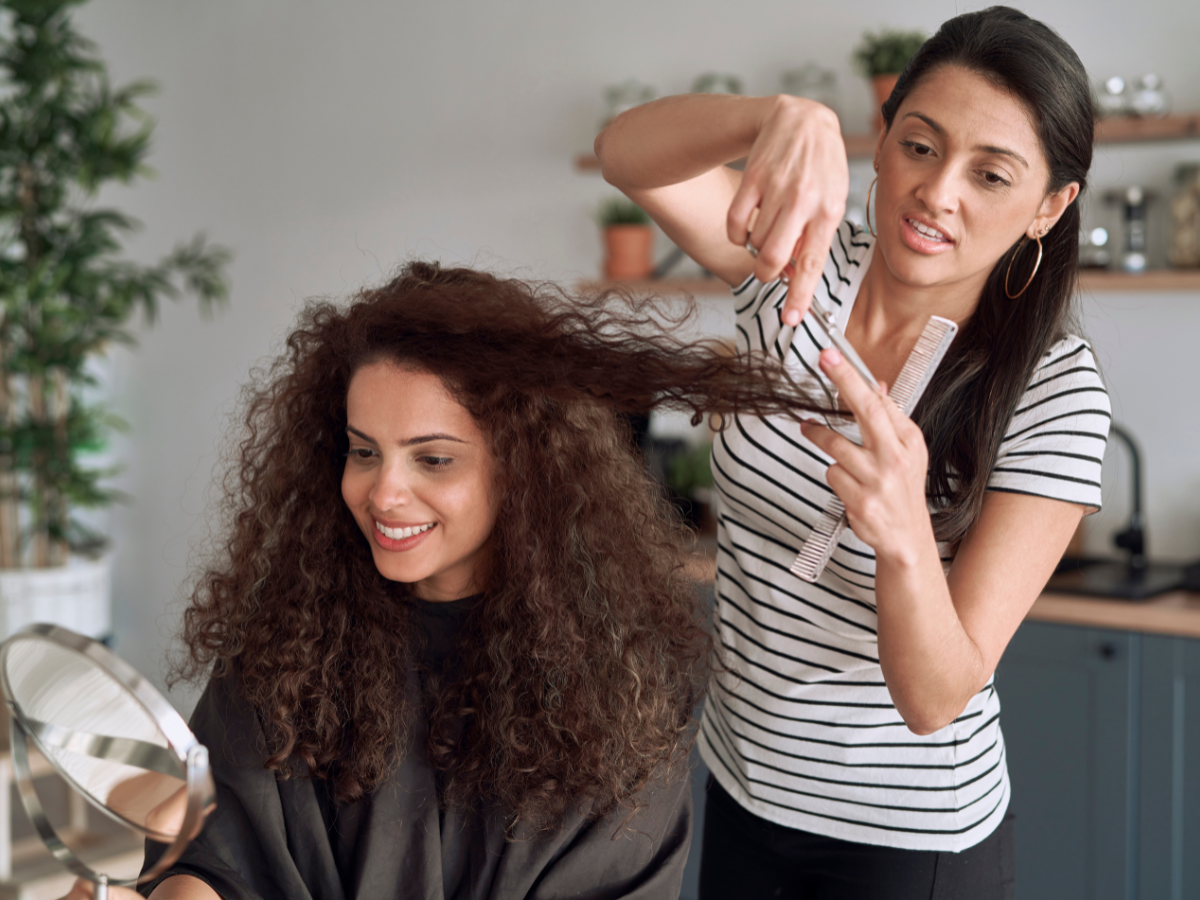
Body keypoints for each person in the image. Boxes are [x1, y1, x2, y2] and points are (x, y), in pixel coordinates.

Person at [59, 263, 819, 900]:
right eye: (363, 451)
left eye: (433, 459)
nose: (384, 493)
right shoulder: (290, 638)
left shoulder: (624, 680)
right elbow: (212, 856)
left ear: (522, 469)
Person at [595, 7, 1108, 898]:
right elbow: (623, 153)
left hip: (904, 843)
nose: (939, 192)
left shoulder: (1054, 392)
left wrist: (907, 534)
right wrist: (770, 117)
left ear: (1049, 207)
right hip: (741, 787)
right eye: (920, 146)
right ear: (884, 137)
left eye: (991, 175)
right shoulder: (802, 261)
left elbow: (936, 698)